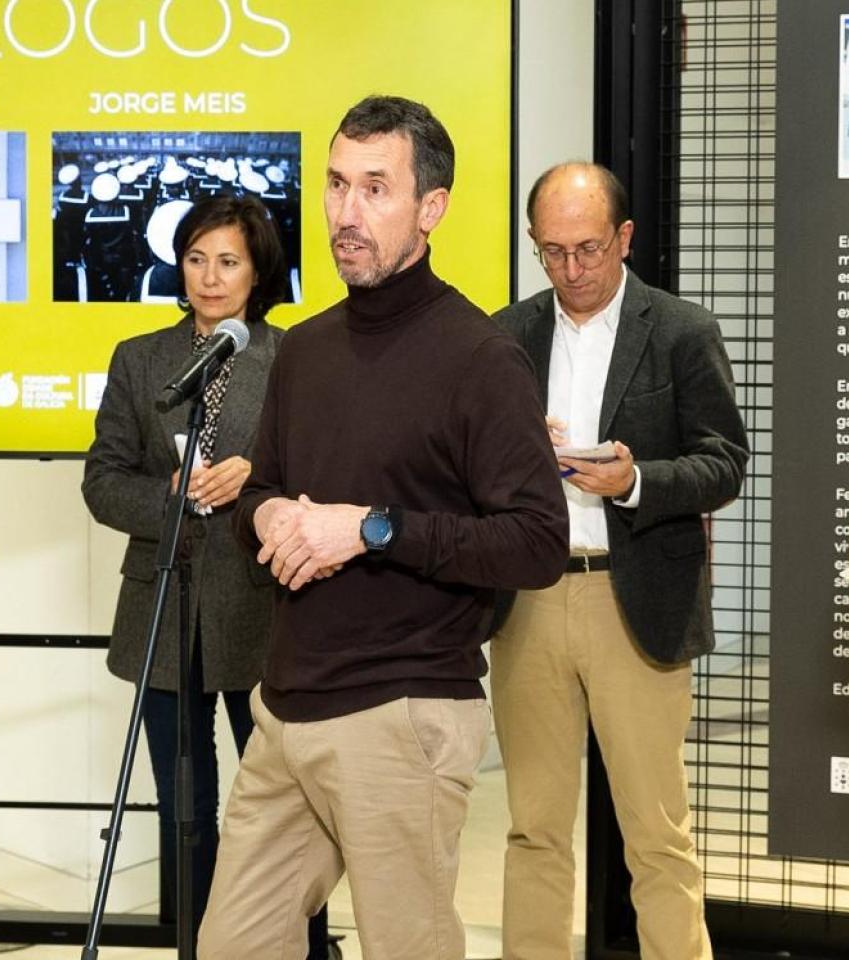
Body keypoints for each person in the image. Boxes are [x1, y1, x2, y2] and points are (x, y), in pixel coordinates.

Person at [195, 95, 569, 959]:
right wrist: (273, 511)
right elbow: (266, 493)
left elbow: (536, 541)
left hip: (401, 710)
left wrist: (372, 530)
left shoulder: (480, 359)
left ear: (430, 208)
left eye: (375, 188)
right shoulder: (303, 348)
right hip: (285, 711)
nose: (345, 213)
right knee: (233, 946)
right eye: (335, 185)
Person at [489, 162, 749, 960]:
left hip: (635, 598)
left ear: (624, 238)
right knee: (534, 827)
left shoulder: (678, 330)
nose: (572, 269)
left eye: (589, 249)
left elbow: (726, 461)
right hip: (529, 598)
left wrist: (634, 479)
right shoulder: (506, 334)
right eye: (553, 252)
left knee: (656, 832)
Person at [81, 193, 329, 957]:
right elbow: (102, 481)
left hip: (262, 609)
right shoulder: (142, 359)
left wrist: (258, 476)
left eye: (227, 262)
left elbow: (327, 473)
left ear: (258, 273)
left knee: (286, 807)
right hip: (164, 610)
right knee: (184, 809)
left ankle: (302, 946)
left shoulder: (296, 357)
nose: (209, 278)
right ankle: (199, 945)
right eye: (195, 260)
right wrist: (171, 495)